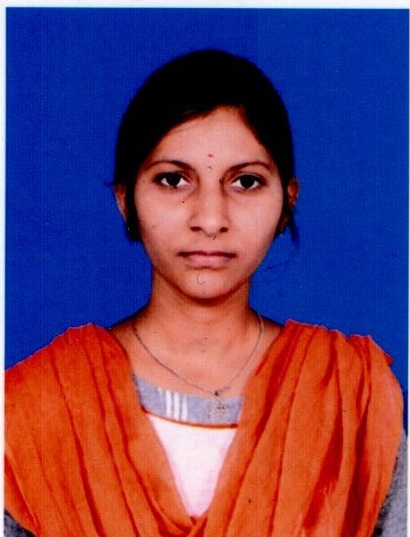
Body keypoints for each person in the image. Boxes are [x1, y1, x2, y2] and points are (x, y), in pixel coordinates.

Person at [5, 49, 405, 537]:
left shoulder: (350, 399)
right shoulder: (35, 410)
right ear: (126, 200)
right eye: (173, 180)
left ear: (287, 201)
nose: (210, 219)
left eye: (246, 182)